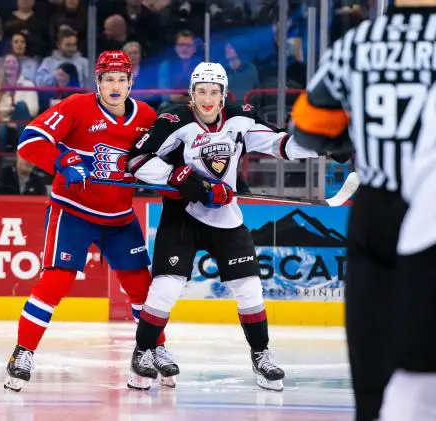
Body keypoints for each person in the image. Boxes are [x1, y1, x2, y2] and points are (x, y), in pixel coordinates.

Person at [126, 62, 320, 392]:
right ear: (191, 94)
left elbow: (281, 144)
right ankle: (141, 354)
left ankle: (261, 355)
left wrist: (322, 144)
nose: (207, 98)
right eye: (201, 91)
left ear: (223, 94)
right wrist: (180, 177)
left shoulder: (240, 118)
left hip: (226, 218)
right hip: (182, 216)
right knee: (167, 287)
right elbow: (137, 161)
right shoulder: (175, 120)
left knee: (249, 289)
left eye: (214, 92)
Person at [290, 1, 436, 420]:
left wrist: (351, 144)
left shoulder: (357, 43)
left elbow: (309, 128)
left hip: (377, 207)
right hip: (429, 205)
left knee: (371, 356)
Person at [4, 51, 172, 392]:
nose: (115, 85)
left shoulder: (147, 116)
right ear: (97, 81)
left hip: (119, 216)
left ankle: (153, 349)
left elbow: (168, 159)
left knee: (141, 287)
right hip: (73, 211)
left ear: (130, 83)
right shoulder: (76, 107)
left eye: (121, 79)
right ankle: (22, 353)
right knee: (56, 282)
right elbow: (30, 141)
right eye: (108, 79)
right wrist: (61, 160)